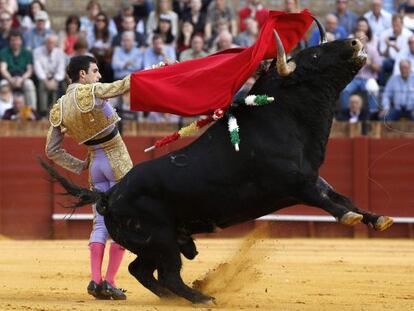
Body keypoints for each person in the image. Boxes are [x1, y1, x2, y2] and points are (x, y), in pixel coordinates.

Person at [45, 55, 133, 300]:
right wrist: (157, 72)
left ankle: (95, 280)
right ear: (82, 74)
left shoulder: (59, 107)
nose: (99, 76)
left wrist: (80, 165)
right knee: (124, 220)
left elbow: (51, 150)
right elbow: (123, 85)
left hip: (95, 165)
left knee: (100, 223)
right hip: (116, 159)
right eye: (95, 71)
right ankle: (111, 280)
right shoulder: (91, 92)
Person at [0, 29, 36, 109]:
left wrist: (21, 79)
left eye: (17, 40)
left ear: (21, 41)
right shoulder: (4, 52)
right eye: (13, 40)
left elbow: (29, 70)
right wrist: (11, 79)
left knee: (29, 84)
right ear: (9, 41)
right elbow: (3, 69)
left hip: (22, 78)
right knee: (2, 83)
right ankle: (4, 113)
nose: (15, 42)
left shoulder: (27, 53)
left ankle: (31, 111)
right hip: (9, 78)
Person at [33, 33, 66, 116]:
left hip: (55, 78)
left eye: (52, 42)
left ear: (55, 43)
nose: (50, 44)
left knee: (58, 85)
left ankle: (55, 111)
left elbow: (61, 70)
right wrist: (45, 81)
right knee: (42, 85)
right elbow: (38, 69)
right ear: (45, 42)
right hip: (43, 78)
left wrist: (55, 80)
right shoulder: (37, 51)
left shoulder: (59, 52)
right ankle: (43, 112)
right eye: (48, 42)